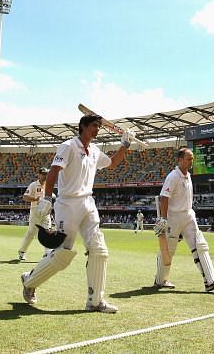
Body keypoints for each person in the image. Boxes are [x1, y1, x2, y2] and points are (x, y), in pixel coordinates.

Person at [20, 114, 135, 313]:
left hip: (88, 202)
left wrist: (124, 144)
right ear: (82, 126)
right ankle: (30, 280)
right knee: (63, 254)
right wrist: (47, 198)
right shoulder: (68, 146)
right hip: (67, 203)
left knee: (99, 249)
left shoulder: (96, 151)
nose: (97, 129)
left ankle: (95, 301)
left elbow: (113, 163)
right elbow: (54, 172)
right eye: (94, 126)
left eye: (99, 126)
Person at [154, 147, 214, 292]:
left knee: (201, 245)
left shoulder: (188, 175)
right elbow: (163, 198)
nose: (191, 161)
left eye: (192, 159)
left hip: (188, 216)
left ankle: (210, 281)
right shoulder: (173, 177)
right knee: (168, 250)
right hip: (173, 218)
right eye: (188, 159)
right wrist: (163, 219)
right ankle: (161, 280)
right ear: (180, 160)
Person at [18, 167, 53, 261]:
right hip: (35, 211)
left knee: (47, 231)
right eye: (43, 174)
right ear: (39, 174)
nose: (45, 176)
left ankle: (47, 252)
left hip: (46, 212)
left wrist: (50, 207)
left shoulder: (49, 185)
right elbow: (25, 197)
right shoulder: (33, 185)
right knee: (31, 233)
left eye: (46, 174)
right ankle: (22, 251)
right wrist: (35, 199)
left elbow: (50, 198)